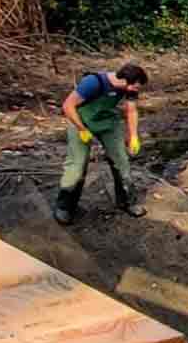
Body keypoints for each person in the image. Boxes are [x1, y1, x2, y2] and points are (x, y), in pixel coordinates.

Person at [54, 63, 147, 224]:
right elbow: (68, 105)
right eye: (136, 87)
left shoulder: (130, 88)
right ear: (125, 81)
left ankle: (127, 202)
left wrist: (133, 136)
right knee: (77, 164)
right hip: (80, 120)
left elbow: (131, 110)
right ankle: (65, 207)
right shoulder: (93, 82)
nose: (136, 91)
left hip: (106, 121)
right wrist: (81, 129)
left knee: (121, 160)